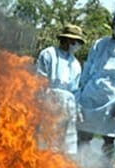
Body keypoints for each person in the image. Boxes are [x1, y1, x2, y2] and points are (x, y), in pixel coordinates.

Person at [76, 10, 115, 164]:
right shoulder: (100, 43)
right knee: (84, 132)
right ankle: (81, 163)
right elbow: (88, 66)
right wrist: (81, 89)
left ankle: (105, 167)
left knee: (109, 136)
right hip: (92, 90)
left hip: (112, 95)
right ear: (112, 26)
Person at [36, 24, 85, 156]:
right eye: (75, 42)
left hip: (69, 105)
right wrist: (41, 102)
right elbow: (40, 80)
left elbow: (76, 90)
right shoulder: (48, 54)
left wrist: (78, 109)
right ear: (68, 40)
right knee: (48, 141)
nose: (77, 45)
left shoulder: (75, 64)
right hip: (50, 100)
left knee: (67, 144)